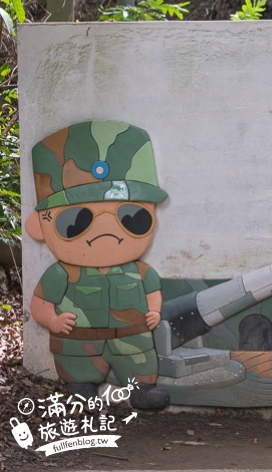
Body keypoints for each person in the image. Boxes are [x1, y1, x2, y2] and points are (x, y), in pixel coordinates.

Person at [28, 121, 171, 409]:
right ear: (39, 228)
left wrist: (153, 310)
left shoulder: (138, 270)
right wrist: (53, 320)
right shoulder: (63, 272)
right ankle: (81, 389)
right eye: (75, 222)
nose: (107, 229)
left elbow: (152, 290)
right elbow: (40, 303)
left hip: (132, 341)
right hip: (79, 344)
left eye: (132, 217)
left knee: (139, 363)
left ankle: (141, 390)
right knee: (78, 370)